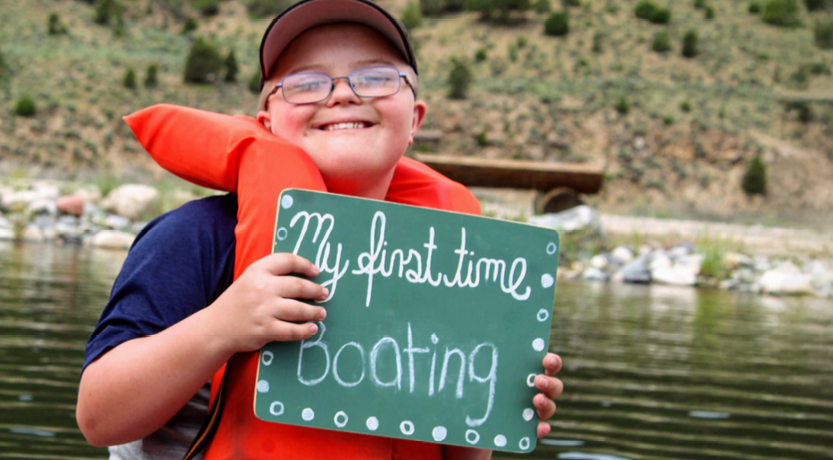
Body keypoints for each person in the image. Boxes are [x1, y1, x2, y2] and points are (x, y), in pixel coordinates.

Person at [78, 1, 564, 459]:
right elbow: (99, 417)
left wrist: (490, 401)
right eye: (306, 83)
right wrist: (222, 326)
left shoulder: (455, 267)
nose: (343, 93)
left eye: (376, 77)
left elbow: (458, 453)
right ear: (266, 122)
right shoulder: (197, 236)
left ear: (414, 121)